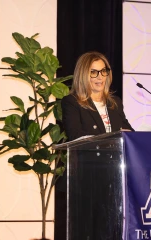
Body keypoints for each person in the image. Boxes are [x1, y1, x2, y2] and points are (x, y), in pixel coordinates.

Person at [55, 51, 134, 240]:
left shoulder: (115, 103)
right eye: (94, 72)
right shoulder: (72, 102)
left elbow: (128, 131)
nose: (100, 77)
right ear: (83, 74)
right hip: (86, 179)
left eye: (103, 71)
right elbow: (76, 136)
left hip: (113, 178)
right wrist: (112, 138)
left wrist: (134, 136)